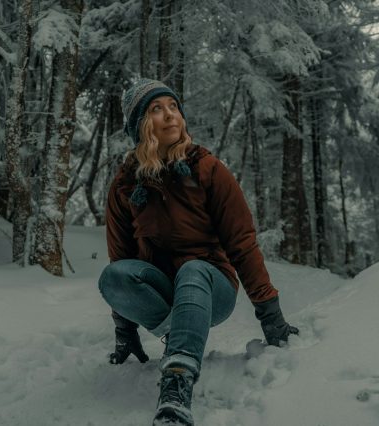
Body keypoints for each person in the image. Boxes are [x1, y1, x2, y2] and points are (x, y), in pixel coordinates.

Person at [98, 79, 299, 426]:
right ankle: (183, 336)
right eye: (156, 109)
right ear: (141, 125)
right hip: (164, 291)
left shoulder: (207, 169)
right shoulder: (125, 185)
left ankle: (176, 386)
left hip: (212, 284)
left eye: (173, 106)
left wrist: (270, 315)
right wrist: (125, 330)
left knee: (193, 269)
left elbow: (242, 242)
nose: (170, 116)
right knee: (113, 276)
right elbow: (122, 258)